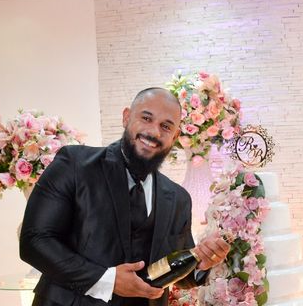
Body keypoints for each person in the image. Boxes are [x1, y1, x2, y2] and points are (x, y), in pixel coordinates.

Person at [20, 87, 230, 306]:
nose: (154, 132)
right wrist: (105, 280)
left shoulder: (179, 199)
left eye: (166, 126)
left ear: (175, 136)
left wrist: (202, 262)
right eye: (146, 118)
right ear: (126, 117)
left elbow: (175, 272)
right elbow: (34, 241)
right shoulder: (74, 163)